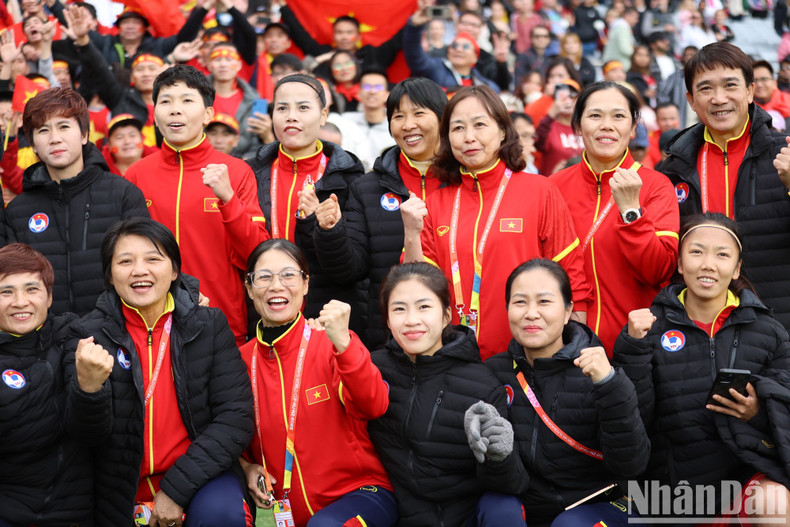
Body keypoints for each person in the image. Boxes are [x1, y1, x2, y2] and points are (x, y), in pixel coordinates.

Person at [63, 217, 254, 526]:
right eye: (125, 261)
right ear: (110, 276)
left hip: (198, 475)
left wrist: (175, 490)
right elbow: (84, 435)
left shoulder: (209, 325)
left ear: (175, 269)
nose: (140, 270)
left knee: (222, 515)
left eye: (153, 258)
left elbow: (235, 418)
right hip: (119, 485)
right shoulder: (86, 337)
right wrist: (88, 389)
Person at [614, 213, 790, 522]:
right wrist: (633, 348)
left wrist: (758, 413)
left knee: (774, 499)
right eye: (696, 251)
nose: (708, 263)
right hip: (672, 491)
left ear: (736, 268)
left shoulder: (769, 331)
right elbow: (632, 421)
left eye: (722, 255)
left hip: (746, 479)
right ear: (680, 264)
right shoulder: (646, 330)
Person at [402, 85, 590, 360]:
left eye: (480, 124)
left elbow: (571, 273)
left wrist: (574, 349)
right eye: (457, 128)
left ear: (503, 131)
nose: (469, 137)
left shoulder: (539, 190)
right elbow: (416, 286)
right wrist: (411, 233)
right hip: (451, 355)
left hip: (526, 354)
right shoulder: (435, 202)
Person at [238, 238, 397, 527]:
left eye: (288, 275)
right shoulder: (240, 361)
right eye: (264, 277)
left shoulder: (331, 342)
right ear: (249, 289)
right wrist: (245, 467)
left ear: (306, 284)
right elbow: (227, 432)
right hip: (291, 512)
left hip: (361, 494)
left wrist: (344, 345)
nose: (276, 286)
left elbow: (374, 404)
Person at [485, 259, 649, 527]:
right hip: (531, 504)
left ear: (567, 311)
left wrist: (610, 386)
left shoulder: (600, 372)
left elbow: (631, 465)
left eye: (544, 302)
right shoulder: (493, 373)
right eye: (520, 302)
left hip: (598, 506)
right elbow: (500, 479)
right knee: (496, 507)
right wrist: (494, 452)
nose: (531, 313)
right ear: (507, 310)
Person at [368, 262, 527, 526]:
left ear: (445, 315)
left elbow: (513, 483)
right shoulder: (371, 370)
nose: (411, 320)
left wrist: (499, 456)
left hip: (464, 514)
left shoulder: (482, 385)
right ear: (386, 318)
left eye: (424, 307)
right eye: (399, 309)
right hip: (394, 509)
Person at [124, 65, 269, 346]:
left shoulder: (236, 171)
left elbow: (256, 253)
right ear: (154, 115)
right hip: (151, 325)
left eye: (187, 100)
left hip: (221, 322)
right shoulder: (136, 175)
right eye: (165, 101)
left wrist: (227, 199)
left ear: (208, 114)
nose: (175, 110)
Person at [659, 42, 790, 332]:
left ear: (750, 91)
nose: (719, 98)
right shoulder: (673, 170)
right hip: (703, 331)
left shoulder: (785, 154)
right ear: (691, 100)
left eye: (730, 85)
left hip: (779, 324)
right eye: (706, 89)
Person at [312, 77, 447, 349]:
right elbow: (350, 270)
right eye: (398, 116)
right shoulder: (368, 187)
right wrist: (331, 231)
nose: (408, 125)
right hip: (390, 336)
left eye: (419, 113)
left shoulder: (465, 181)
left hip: (456, 329)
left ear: (443, 118)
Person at [550, 81, 679, 352]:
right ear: (578, 125)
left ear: (633, 128)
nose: (606, 125)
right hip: (567, 345)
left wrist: (632, 211)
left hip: (636, 345)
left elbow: (658, 271)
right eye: (595, 115)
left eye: (618, 116)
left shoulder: (656, 185)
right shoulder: (553, 186)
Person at [3, 87, 149, 316]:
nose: (55, 138)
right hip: (45, 342)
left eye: (63, 126)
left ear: (84, 135)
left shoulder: (123, 194)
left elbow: (145, 269)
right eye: (43, 130)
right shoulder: (16, 211)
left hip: (113, 334)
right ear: (32, 144)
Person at [246, 73, 368, 332]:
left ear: (323, 115)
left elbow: (350, 269)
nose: (291, 116)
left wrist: (325, 227)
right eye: (282, 108)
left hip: (323, 317)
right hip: (261, 312)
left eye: (303, 107)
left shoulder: (349, 178)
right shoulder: (249, 173)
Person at [0, 243, 93, 526]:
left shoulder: (71, 336)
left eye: (32, 289)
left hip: (76, 511)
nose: (20, 301)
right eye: (6, 291)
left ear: (50, 297)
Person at [404, 2, 501, 93]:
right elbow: (415, 56)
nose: (458, 49)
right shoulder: (435, 68)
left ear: (475, 57)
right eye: (454, 45)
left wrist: (502, 63)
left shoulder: (486, 86)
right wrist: (414, 26)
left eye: (466, 46)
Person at [535, 78, 585, 174]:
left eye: (572, 96)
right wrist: (552, 113)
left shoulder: (584, 126)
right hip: (553, 183)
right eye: (562, 96)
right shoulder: (548, 125)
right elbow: (537, 143)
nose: (567, 101)